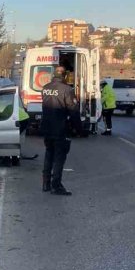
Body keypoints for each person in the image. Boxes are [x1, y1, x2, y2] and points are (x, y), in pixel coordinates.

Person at [41, 65, 80, 196]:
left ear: (54, 74)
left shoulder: (45, 88)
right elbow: (73, 110)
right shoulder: (67, 90)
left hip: (47, 127)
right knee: (59, 158)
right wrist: (78, 128)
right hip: (61, 128)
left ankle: (45, 183)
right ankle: (56, 186)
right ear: (64, 75)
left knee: (48, 155)